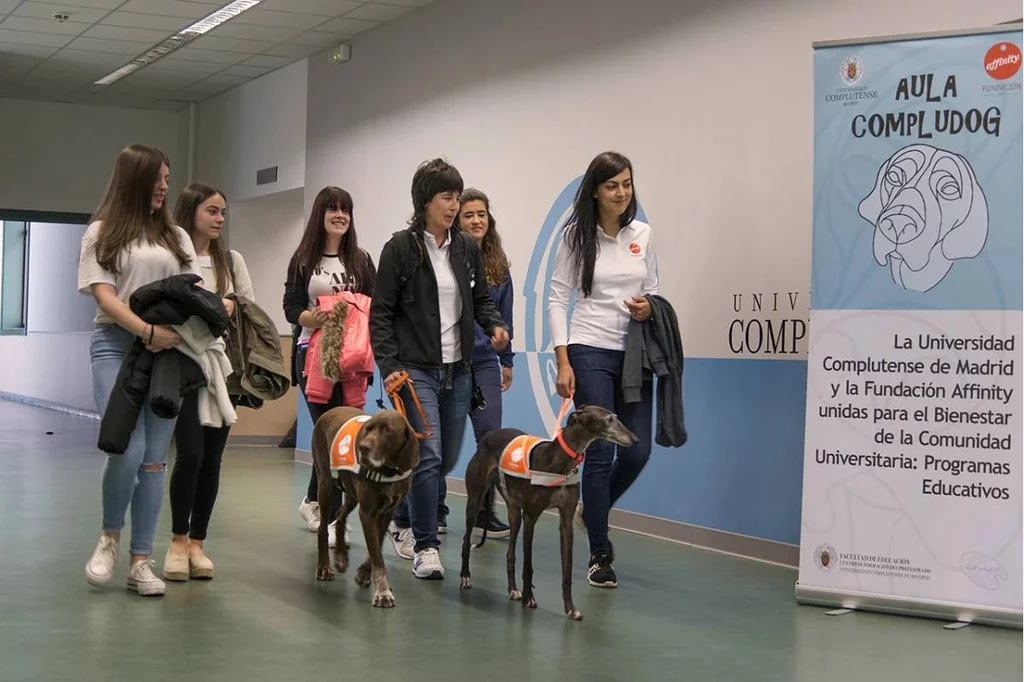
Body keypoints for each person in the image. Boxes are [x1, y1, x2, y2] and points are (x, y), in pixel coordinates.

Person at [370, 158, 509, 580]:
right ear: (424, 201)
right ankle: (426, 546)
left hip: (459, 370)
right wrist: (390, 366)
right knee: (428, 457)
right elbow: (381, 314)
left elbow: (481, 300)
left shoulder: (465, 248)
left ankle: (401, 516)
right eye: (446, 197)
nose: (453, 205)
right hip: (416, 371)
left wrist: (494, 324)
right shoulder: (400, 249)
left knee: (445, 458)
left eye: (456, 196)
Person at [78, 143, 203, 597]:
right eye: (158, 179)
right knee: (125, 449)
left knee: (153, 460)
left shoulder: (177, 237)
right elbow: (104, 295)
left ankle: (141, 561)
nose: (165, 187)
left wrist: (172, 332)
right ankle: (110, 538)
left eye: (168, 179)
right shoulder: (102, 232)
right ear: (135, 179)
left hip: (169, 353)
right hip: (116, 345)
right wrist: (145, 330)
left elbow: (191, 290)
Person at [548, 151, 659, 589]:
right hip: (589, 348)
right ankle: (600, 552)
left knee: (638, 450)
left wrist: (649, 305)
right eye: (612, 185)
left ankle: (590, 511)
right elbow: (558, 298)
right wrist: (562, 359)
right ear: (595, 189)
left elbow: (653, 289)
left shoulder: (644, 234)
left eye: (627, 184)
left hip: (634, 352)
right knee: (600, 452)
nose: (621, 192)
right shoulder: (577, 237)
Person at [163, 183, 254, 582]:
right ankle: (177, 541)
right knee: (190, 454)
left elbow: (247, 307)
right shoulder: (172, 258)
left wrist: (228, 306)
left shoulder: (231, 262)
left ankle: (198, 543)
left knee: (213, 460)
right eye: (212, 211)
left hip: (222, 369)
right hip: (182, 364)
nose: (219, 219)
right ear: (191, 213)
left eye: (222, 212)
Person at [283, 186, 375, 549]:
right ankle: (332, 513)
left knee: (346, 434)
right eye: (333, 209)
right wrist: (312, 317)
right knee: (329, 432)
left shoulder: (362, 260)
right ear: (320, 214)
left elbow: (374, 305)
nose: (340, 215)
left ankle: (313, 503)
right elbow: (291, 306)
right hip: (314, 354)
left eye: (346, 210)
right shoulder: (304, 259)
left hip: (352, 358)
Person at [437, 187, 512, 537]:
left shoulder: (499, 265)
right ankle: (433, 508)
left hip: (484, 363)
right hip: (449, 361)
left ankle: (484, 511)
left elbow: (504, 316)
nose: (476, 220)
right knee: (437, 441)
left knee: (491, 438)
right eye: (468, 214)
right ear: (456, 221)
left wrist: (506, 359)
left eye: (481, 214)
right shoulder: (446, 260)